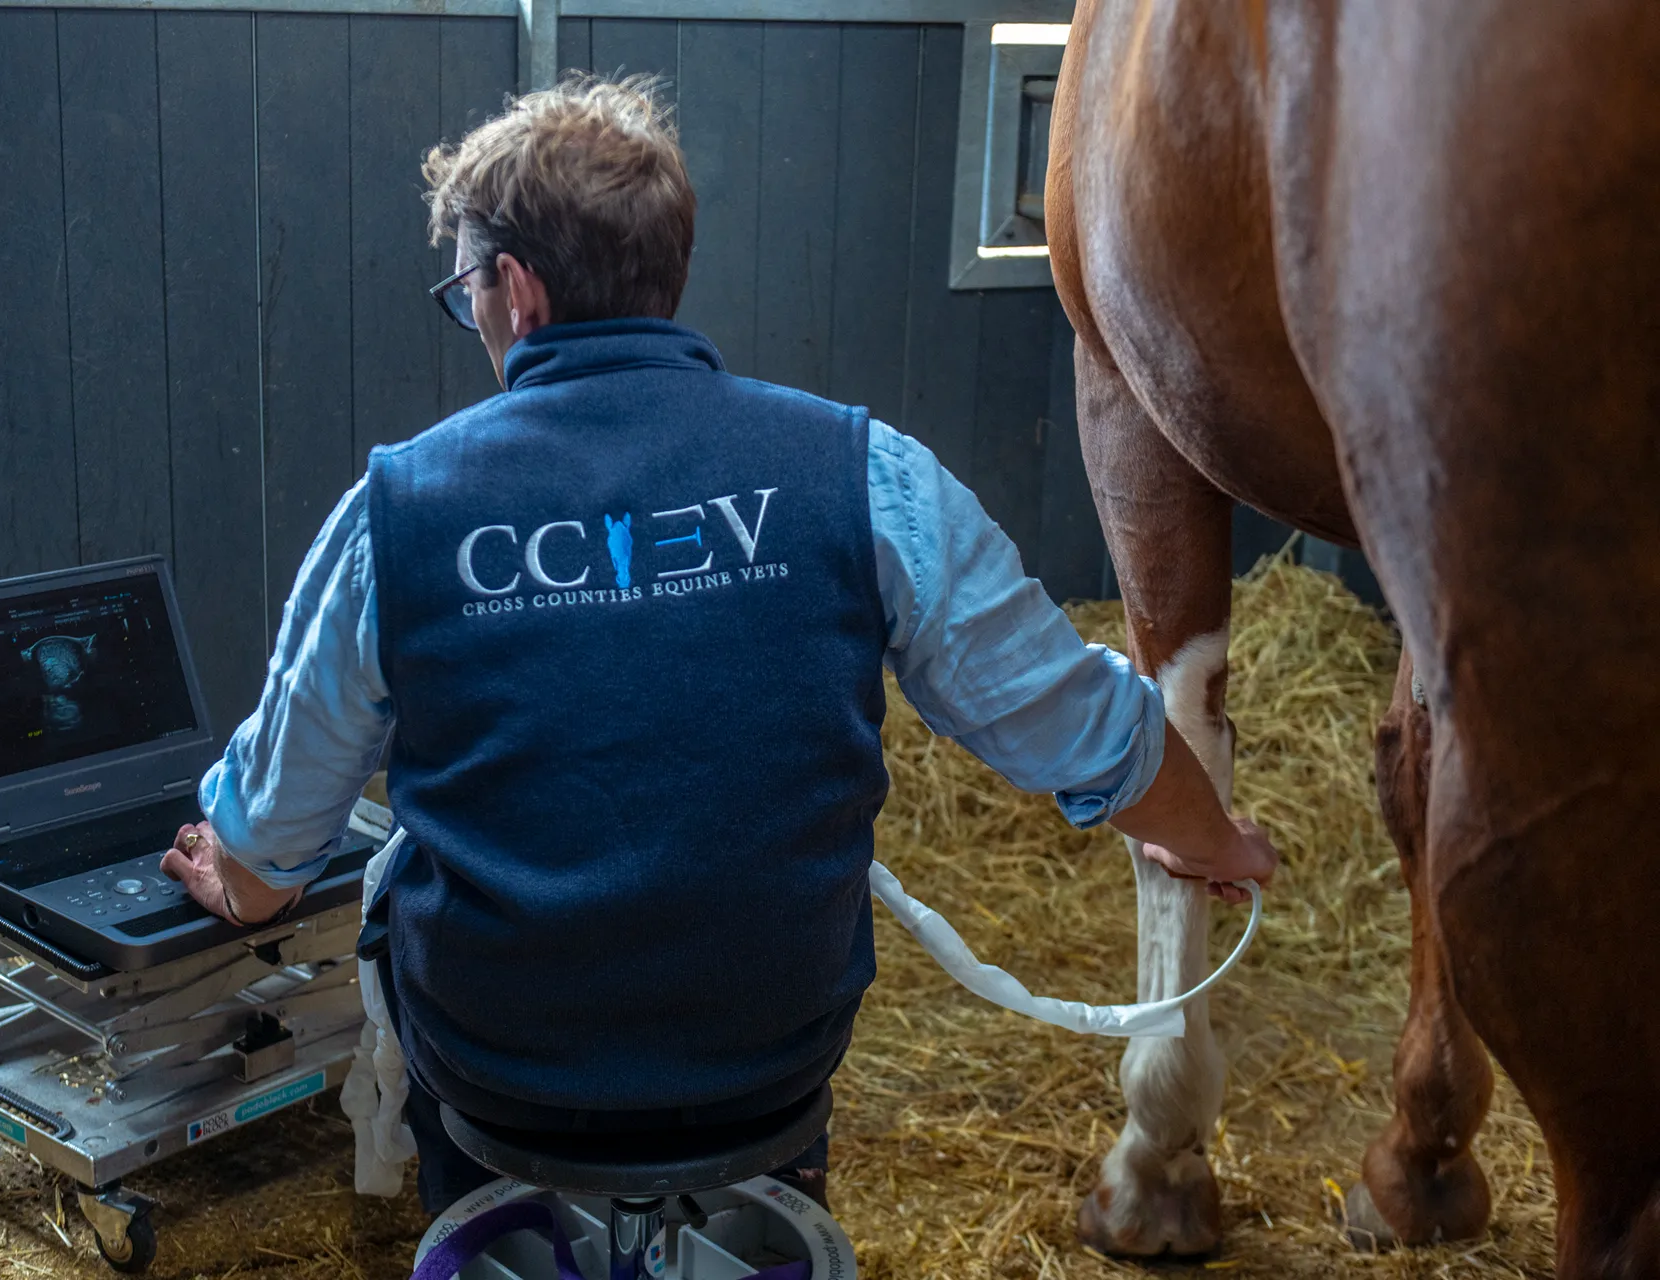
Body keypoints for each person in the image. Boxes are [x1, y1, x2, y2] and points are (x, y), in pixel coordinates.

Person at [161, 74, 1278, 1216]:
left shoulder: (393, 515)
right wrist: (1218, 842)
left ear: (521, 291)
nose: (476, 318)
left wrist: (236, 881)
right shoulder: (863, 473)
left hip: (504, 1079)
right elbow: (1087, 725)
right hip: (767, 1071)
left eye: (467, 292)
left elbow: (267, 846)